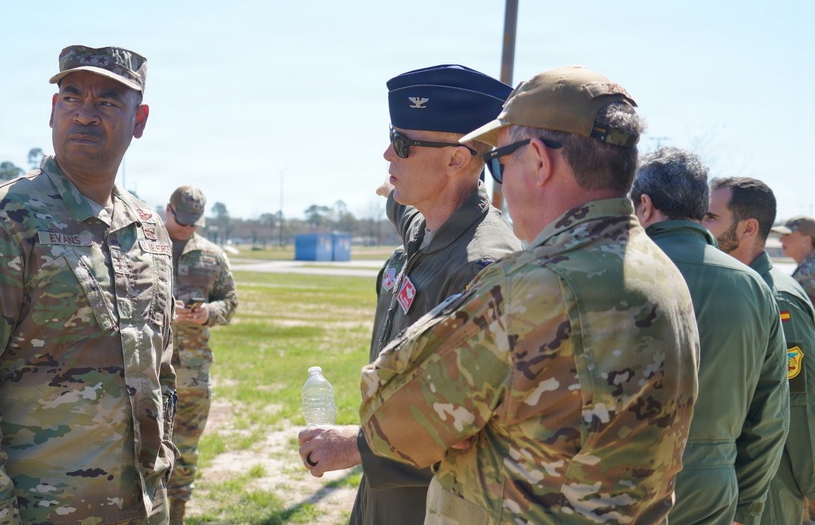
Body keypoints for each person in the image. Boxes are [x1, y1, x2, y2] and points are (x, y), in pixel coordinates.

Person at [359, 65, 701, 522]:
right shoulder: (660, 271)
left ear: (538, 160)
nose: (499, 180)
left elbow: (390, 420)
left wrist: (464, 425)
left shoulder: (531, 287)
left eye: (501, 162)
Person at [0, 45, 177, 524]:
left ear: (138, 120)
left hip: (143, 507)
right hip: (39, 511)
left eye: (106, 102)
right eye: (71, 97)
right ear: (52, 111)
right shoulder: (2, 220)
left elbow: (161, 373)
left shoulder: (149, 230)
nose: (84, 115)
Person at [297, 64, 522, 525]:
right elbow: (397, 204)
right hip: (384, 493)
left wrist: (355, 445)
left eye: (401, 144)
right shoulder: (425, 224)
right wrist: (393, 187)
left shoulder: (483, 266)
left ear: (457, 159)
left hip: (436, 502)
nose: (386, 153)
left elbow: (471, 423)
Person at [630, 151, 789, 524]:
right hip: (714, 488)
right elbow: (770, 417)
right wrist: (746, 508)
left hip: (621, 484)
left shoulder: (615, 270)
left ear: (645, 206)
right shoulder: (753, 286)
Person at [704, 176, 815, 525]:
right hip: (731, 491)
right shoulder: (732, 286)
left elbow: (800, 405)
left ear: (748, 228)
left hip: (772, 493)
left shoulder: (777, 299)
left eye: (710, 217)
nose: (699, 226)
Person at [162, 185, 238, 524]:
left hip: (192, 373)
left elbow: (230, 302)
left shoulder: (211, 255)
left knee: (185, 450)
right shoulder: (145, 247)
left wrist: (208, 312)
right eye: (183, 220)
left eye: (195, 222)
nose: (188, 227)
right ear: (168, 210)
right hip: (146, 370)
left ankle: (175, 515)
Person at [772, 215, 815, 305]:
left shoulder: (809, 271)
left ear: (806, 240)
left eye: (787, 235)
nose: (781, 239)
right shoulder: (807, 266)